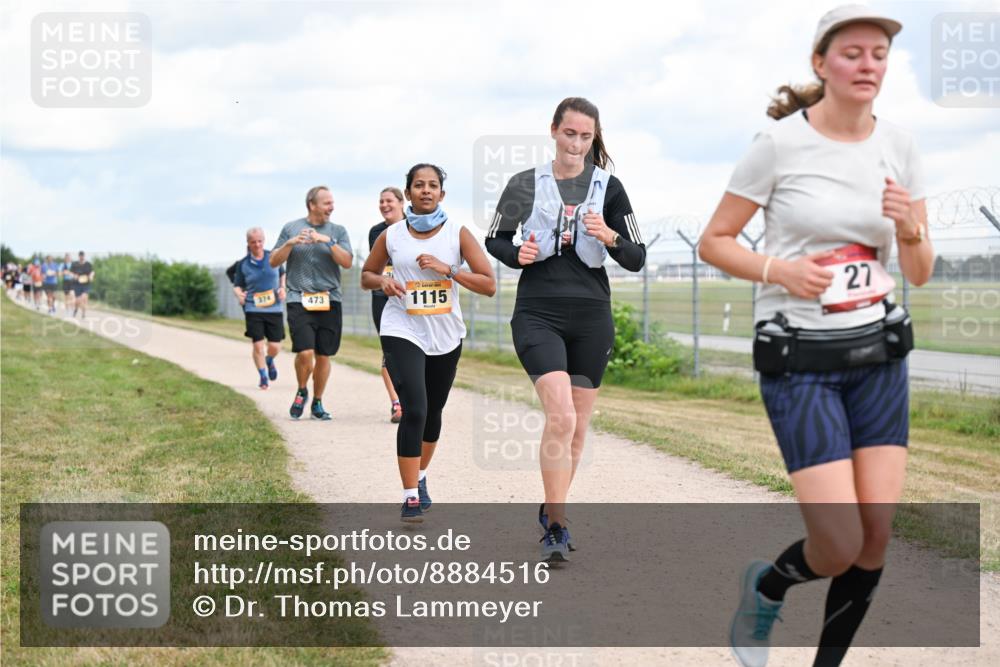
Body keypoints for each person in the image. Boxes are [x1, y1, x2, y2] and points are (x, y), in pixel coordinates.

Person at [696, 7, 934, 667]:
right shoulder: (778, 145)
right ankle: (767, 586)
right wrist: (779, 269)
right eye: (853, 52)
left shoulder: (902, 147)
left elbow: (918, 268)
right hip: (801, 360)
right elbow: (714, 240)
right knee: (836, 543)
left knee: (876, 535)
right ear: (821, 63)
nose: (868, 64)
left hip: (879, 355)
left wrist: (910, 230)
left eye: (879, 53)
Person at [485, 97, 646, 561]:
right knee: (561, 418)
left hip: (592, 317)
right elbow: (495, 238)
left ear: (594, 138)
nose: (577, 143)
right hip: (539, 313)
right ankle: (557, 527)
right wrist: (518, 255)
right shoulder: (523, 184)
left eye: (586, 136)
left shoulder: (609, 189)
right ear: (553, 131)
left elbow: (636, 258)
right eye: (569, 133)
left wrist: (609, 236)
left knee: (577, 430)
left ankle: (553, 505)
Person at [362, 164, 496, 522]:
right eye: (418, 185)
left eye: (432, 185)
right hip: (401, 326)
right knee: (415, 409)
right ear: (408, 193)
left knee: (433, 412)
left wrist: (448, 269)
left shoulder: (458, 234)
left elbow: (488, 284)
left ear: (442, 194)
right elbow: (366, 275)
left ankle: (420, 477)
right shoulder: (391, 236)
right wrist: (383, 283)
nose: (425, 190)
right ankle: (409, 497)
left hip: (445, 333)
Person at [270, 186, 353, 420]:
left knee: (324, 354)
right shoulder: (291, 228)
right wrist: (290, 244)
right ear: (312, 204)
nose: (331, 207)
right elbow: (273, 261)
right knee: (306, 352)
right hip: (299, 297)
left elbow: (346, 262)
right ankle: (301, 390)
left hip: (330, 299)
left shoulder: (338, 231)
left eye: (332, 203)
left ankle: (317, 402)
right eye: (326, 203)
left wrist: (327, 241)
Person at [232, 227, 287, 390]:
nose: (257, 245)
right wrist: (239, 295)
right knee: (257, 345)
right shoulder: (243, 264)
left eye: (259, 241)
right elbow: (237, 286)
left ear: (264, 240)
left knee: (275, 346)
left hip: (274, 308)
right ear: (248, 243)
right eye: (253, 242)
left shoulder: (274, 257)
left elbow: (282, 273)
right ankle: (263, 376)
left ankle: (269, 360)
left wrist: (282, 287)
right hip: (253, 307)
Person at [369, 187, 406, 423]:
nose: (384, 205)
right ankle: (396, 403)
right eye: (381, 201)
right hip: (383, 297)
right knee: (390, 351)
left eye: (389, 200)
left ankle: (415, 399)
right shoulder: (376, 232)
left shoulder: (415, 225)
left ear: (401, 203)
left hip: (411, 297)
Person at [71, 251, 95, 318]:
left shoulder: (88, 264)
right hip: (77, 284)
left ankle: (83, 314)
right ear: (79, 256)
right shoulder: (74, 264)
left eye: (83, 256)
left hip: (86, 284)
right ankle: (76, 309)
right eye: (80, 256)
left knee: (84, 298)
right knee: (78, 300)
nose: (81, 257)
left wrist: (91, 276)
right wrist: (74, 276)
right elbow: (71, 273)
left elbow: (92, 272)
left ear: (84, 256)